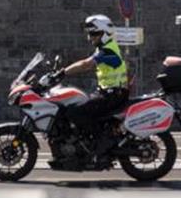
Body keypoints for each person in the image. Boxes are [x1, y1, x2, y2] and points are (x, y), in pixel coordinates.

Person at [50, 14, 131, 167]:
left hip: (113, 95)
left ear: (105, 33)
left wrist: (62, 72)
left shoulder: (108, 51)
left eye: (94, 33)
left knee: (75, 112)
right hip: (108, 93)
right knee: (76, 104)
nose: (90, 37)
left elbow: (86, 64)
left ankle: (100, 144)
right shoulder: (104, 49)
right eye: (89, 33)